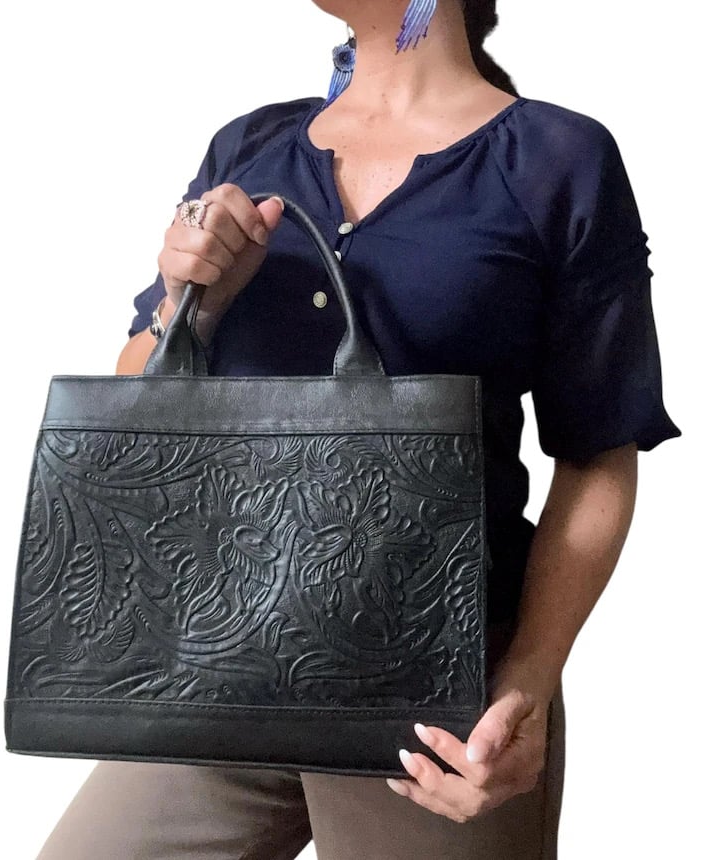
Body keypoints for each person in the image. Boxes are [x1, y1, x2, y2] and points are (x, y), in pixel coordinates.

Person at [36, 1, 681, 857]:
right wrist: (192, 304)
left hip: (437, 703)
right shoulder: (251, 146)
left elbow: (598, 452)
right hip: (215, 657)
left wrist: (528, 677)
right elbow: (139, 405)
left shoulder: (556, 160)